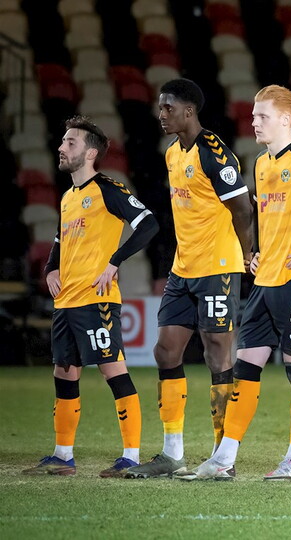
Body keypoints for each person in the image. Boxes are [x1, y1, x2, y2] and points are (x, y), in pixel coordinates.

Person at [179, 85, 291, 480]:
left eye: (262, 116)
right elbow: (260, 216)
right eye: (254, 115)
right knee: (245, 368)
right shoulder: (258, 163)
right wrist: (254, 250)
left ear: (285, 119)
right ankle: (224, 457)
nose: (253, 122)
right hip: (263, 283)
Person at [126, 78, 254, 478]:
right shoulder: (171, 153)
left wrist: (246, 254)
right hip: (183, 268)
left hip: (217, 266)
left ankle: (222, 456)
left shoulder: (214, 153)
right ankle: (172, 453)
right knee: (166, 351)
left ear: (189, 111)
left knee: (218, 353)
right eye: (160, 107)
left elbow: (243, 209)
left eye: (168, 107)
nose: (161, 114)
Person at [23, 116, 158, 477]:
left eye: (70, 142)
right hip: (66, 301)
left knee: (113, 369)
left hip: (96, 300)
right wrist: (50, 268)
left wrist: (115, 262)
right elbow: (59, 240)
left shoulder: (108, 189)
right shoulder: (68, 197)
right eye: (62, 141)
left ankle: (131, 456)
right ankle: (63, 456)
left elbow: (148, 223)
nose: (61, 147)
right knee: (64, 372)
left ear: (90, 153)